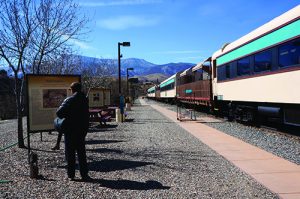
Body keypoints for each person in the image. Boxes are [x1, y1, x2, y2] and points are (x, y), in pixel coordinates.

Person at [56, 82, 91, 181]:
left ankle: (71, 175)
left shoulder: (69, 100)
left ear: (72, 90)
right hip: (82, 130)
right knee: (81, 153)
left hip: (70, 130)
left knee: (70, 153)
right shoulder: (85, 99)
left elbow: (59, 113)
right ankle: (84, 174)